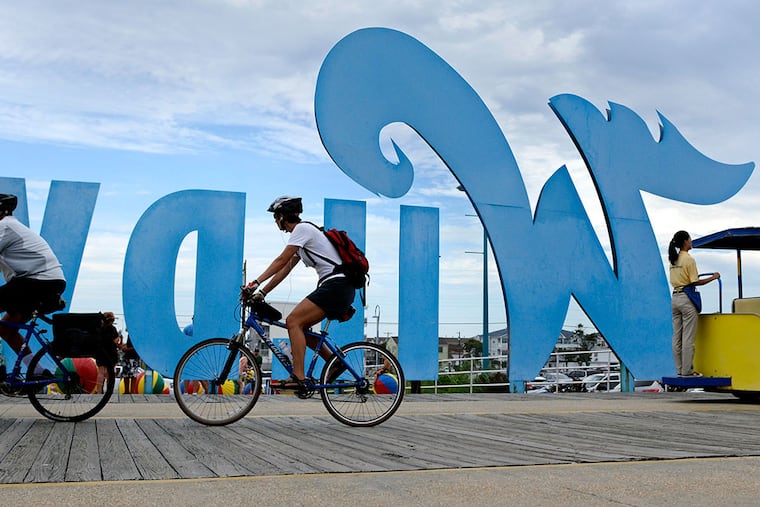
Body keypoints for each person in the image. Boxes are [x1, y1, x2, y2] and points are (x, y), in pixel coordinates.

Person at [244, 196, 356, 391]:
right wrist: (262, 292)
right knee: (301, 327)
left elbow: (281, 260)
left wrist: (255, 282)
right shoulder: (302, 236)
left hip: (336, 285)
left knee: (293, 321)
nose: (275, 221)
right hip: (337, 287)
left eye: (275, 217)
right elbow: (284, 269)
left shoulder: (302, 229)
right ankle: (333, 361)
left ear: (282, 216)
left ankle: (298, 375)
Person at [0, 194, 66, 372]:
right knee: (6, 329)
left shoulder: (5, 226)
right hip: (42, 283)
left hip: (39, 282)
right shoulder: (11, 228)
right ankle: (38, 373)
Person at [668, 230, 720, 377]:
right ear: (685, 241)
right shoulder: (689, 260)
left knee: (676, 336)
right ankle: (687, 371)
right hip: (686, 298)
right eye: (690, 239)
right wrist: (713, 277)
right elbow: (695, 281)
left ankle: (679, 370)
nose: (691, 241)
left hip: (675, 298)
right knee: (688, 338)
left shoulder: (673, 259)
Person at [95, 312, 121, 394]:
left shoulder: (100, 328)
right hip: (111, 353)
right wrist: (119, 338)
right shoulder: (112, 329)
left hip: (101, 352)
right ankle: (109, 390)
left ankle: (99, 390)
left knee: (101, 372)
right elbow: (115, 341)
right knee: (110, 372)